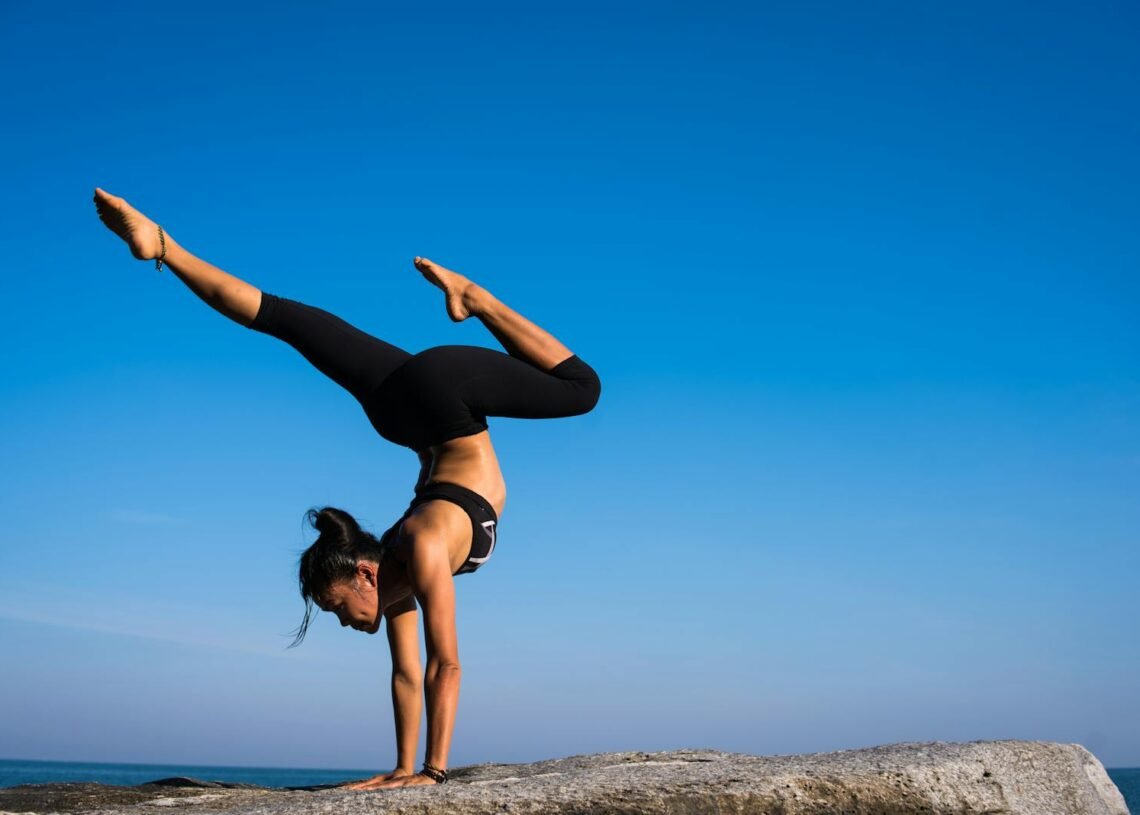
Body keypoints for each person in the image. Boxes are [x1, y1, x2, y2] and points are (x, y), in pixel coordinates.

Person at [92, 187, 601, 790]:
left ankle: (475, 297)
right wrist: (401, 770)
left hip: (446, 399)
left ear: (364, 573)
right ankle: (164, 247)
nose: (342, 622)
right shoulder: (397, 571)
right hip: (404, 412)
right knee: (283, 319)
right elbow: (408, 675)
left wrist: (433, 774)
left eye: (335, 606)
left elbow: (448, 663)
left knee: (580, 389)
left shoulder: (419, 547)